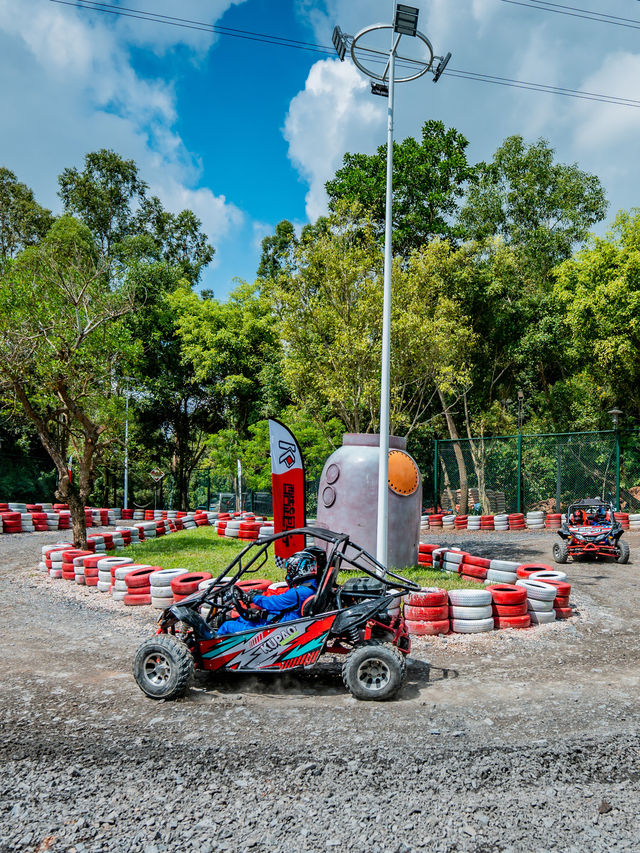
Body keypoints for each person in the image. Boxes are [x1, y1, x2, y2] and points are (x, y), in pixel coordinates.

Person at [216, 547, 325, 636]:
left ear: (301, 569)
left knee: (227, 626)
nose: (289, 574)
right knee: (243, 619)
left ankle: (214, 656)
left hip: (279, 631)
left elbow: (273, 603)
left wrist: (253, 597)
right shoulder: (312, 586)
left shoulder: (298, 592)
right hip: (287, 624)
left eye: (290, 570)